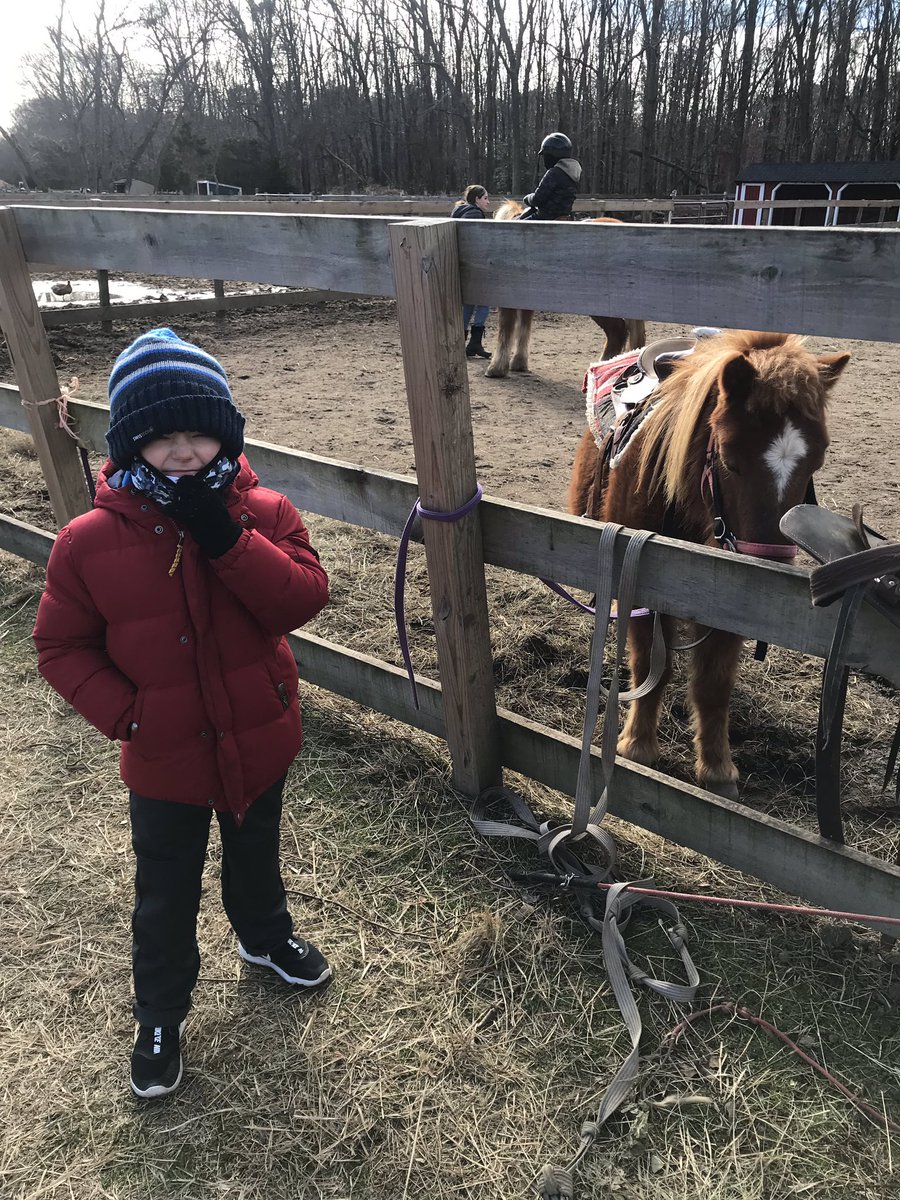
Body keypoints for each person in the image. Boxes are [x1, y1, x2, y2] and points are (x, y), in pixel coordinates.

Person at [32, 328, 331, 1101]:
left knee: (255, 848)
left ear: (226, 434)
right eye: (162, 437)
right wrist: (129, 717)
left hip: (260, 736)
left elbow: (302, 597)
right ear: (132, 443)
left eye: (200, 432)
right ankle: (160, 1012)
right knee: (165, 887)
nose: (184, 451)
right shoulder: (88, 542)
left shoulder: (263, 511)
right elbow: (61, 646)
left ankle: (265, 938)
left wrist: (226, 536)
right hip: (162, 756)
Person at [451, 183, 492, 359]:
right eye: (485, 198)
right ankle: (475, 342)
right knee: (484, 301)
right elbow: (479, 243)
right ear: (476, 199)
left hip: (462, 266)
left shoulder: (459, 211)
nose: (488, 202)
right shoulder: (475, 214)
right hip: (475, 266)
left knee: (468, 303)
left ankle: (460, 342)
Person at [519, 132, 582, 221]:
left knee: (516, 227)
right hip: (566, 217)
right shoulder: (573, 173)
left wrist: (527, 198)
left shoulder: (554, 173)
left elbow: (537, 199)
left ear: (551, 155)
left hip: (545, 217)